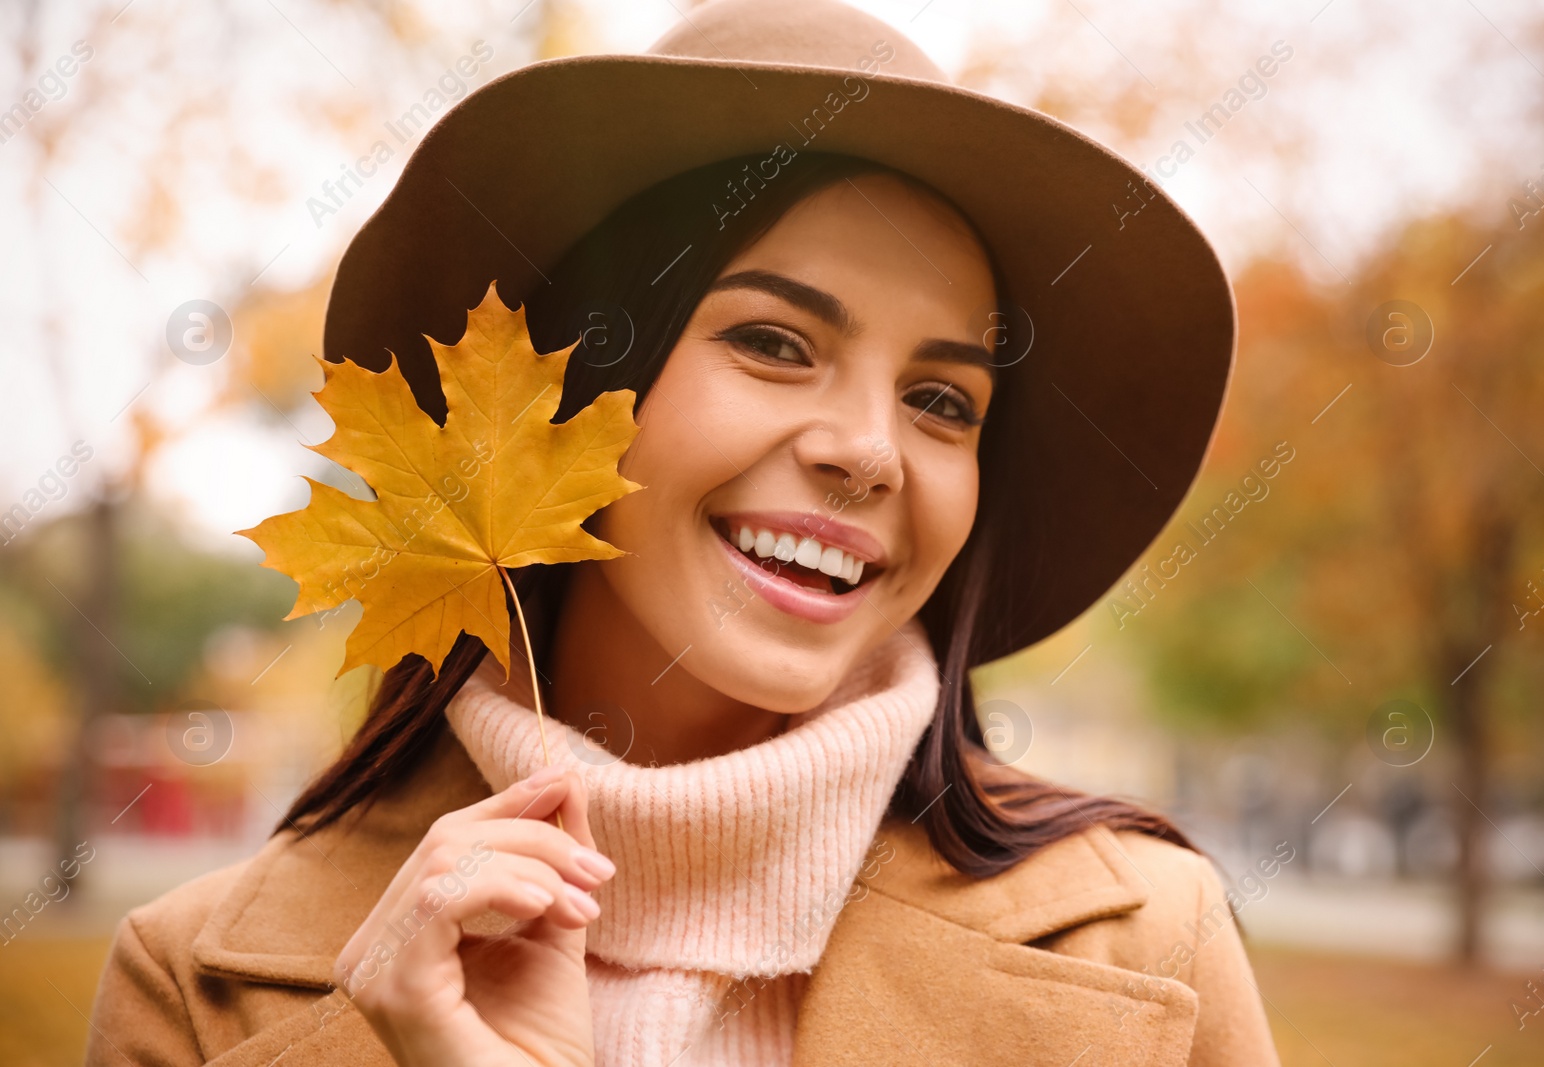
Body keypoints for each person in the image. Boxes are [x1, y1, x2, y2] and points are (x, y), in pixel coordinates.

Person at [85, 0, 1278, 1063]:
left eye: (941, 400)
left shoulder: (1148, 946)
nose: (868, 450)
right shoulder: (194, 990)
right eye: (772, 340)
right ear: (556, 402)